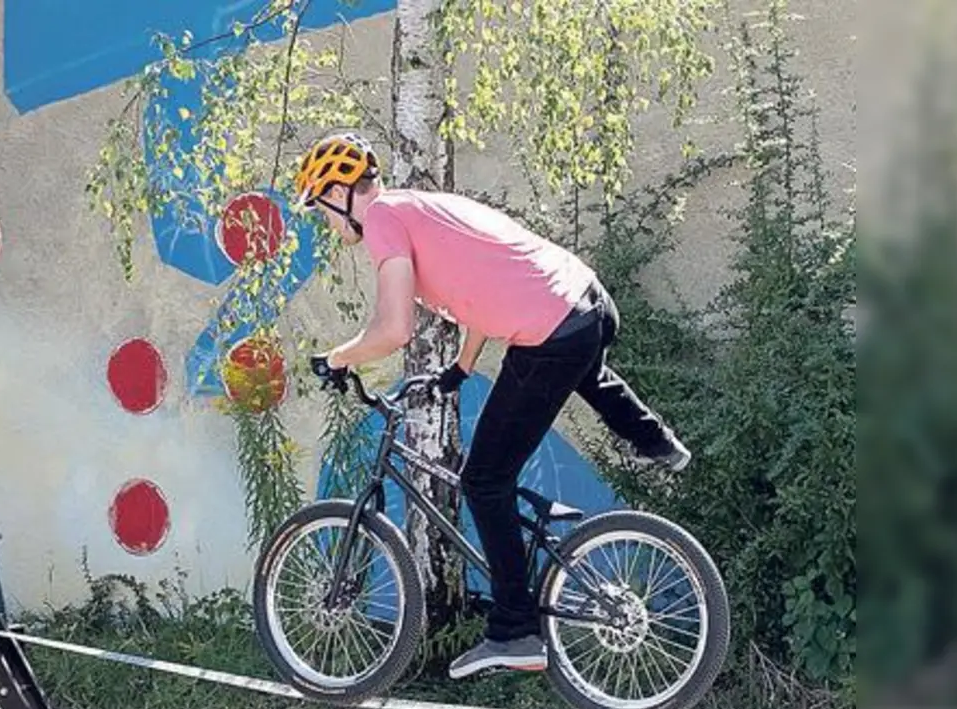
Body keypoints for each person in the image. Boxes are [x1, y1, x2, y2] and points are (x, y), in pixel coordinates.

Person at [293, 132, 691, 679]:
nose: (327, 222)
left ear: (340, 191)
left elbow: (394, 329)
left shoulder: (383, 217)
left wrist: (338, 357)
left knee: (483, 481)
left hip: (551, 333)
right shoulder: (421, 209)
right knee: (583, 377)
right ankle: (656, 440)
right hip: (587, 304)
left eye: (322, 208)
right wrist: (459, 368)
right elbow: (483, 286)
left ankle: (514, 630)